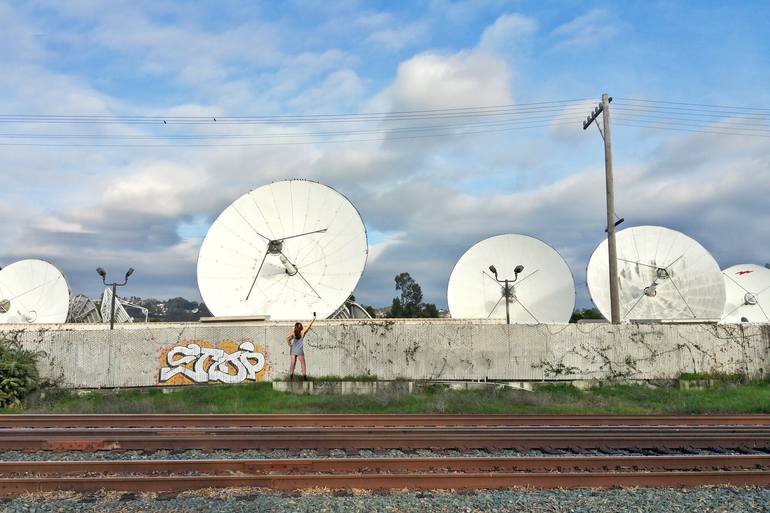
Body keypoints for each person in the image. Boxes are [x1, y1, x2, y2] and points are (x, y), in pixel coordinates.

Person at [286, 313, 315, 380]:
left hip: (293, 349)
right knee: (302, 363)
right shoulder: (302, 332)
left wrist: (289, 344)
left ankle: (291, 376)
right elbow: (309, 325)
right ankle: (304, 376)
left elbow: (286, 338)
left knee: (293, 363)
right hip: (299, 350)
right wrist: (314, 318)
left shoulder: (294, 332)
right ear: (301, 327)